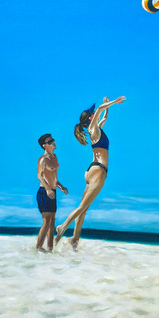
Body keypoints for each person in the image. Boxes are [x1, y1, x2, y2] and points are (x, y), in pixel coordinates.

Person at [55, 96, 126, 251]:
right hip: (99, 170)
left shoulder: (97, 129)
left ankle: (75, 239)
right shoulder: (92, 128)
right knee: (82, 206)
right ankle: (62, 227)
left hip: (91, 170)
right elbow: (100, 109)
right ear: (91, 117)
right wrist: (114, 102)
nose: (96, 112)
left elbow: (104, 114)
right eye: (93, 112)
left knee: (84, 208)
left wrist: (107, 107)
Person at [36, 134, 68, 252]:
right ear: (44, 146)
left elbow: (53, 177)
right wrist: (48, 189)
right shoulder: (42, 159)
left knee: (52, 221)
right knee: (47, 221)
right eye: (50, 142)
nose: (53, 142)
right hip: (44, 192)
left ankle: (49, 249)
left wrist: (60, 187)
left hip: (53, 191)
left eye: (53, 140)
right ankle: (38, 248)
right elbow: (40, 176)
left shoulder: (54, 157)